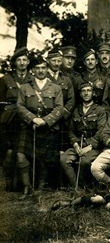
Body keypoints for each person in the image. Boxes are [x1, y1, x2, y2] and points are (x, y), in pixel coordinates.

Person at [16, 55, 64, 198]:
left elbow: (59, 108)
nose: (41, 71)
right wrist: (33, 119)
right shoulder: (25, 87)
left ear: (47, 69)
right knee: (20, 155)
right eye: (38, 68)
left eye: (43, 68)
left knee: (45, 158)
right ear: (32, 70)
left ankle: (40, 188)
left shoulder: (55, 88)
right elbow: (20, 106)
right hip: (29, 127)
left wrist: (46, 120)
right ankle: (27, 187)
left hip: (48, 127)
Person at [60, 82, 107, 189]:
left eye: (89, 90)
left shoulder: (100, 110)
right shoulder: (76, 109)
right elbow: (71, 131)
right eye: (83, 91)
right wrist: (75, 145)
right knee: (63, 159)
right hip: (78, 144)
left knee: (84, 161)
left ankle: (84, 187)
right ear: (80, 94)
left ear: (93, 93)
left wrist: (89, 147)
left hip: (93, 146)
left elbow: (101, 131)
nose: (86, 93)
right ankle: (76, 188)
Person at [0, 47, 32, 191]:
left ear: (28, 62)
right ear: (14, 63)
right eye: (19, 60)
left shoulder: (32, 79)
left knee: (23, 151)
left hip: (26, 120)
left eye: (24, 60)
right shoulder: (6, 79)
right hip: (9, 120)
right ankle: (8, 183)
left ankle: (22, 183)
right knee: (9, 150)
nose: (22, 63)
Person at [46, 48, 76, 152]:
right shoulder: (43, 77)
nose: (56, 63)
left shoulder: (66, 79)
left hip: (62, 120)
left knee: (61, 150)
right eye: (53, 60)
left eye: (59, 61)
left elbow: (71, 99)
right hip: (46, 119)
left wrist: (63, 114)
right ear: (47, 60)